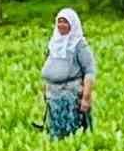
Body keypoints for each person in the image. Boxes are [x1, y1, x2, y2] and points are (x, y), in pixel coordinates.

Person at [40, 8, 97, 139]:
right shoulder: (53, 44)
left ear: (73, 24)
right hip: (53, 97)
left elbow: (89, 71)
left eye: (65, 22)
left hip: (71, 97)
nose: (61, 25)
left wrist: (86, 98)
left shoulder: (79, 45)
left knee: (71, 133)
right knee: (54, 134)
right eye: (59, 21)